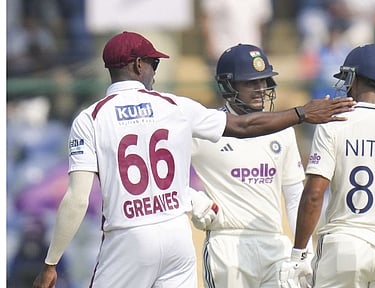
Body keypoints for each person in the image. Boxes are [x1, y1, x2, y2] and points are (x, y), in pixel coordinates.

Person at [32, 31, 355, 288]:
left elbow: (76, 199)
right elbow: (243, 127)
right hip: (178, 238)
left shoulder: (91, 118)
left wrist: (50, 262)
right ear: (138, 65)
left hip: (128, 233)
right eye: (154, 64)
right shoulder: (174, 107)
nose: (156, 72)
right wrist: (300, 113)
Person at [279, 44, 375, 288]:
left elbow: (314, 195)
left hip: (345, 246)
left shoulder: (335, 124)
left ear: (355, 79)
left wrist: (299, 254)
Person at [189, 43, 314, 288]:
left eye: (264, 81)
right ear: (228, 85)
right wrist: (192, 198)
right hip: (227, 244)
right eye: (250, 83)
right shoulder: (205, 129)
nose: (260, 89)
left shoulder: (283, 131)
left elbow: (294, 196)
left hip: (274, 242)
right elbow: (164, 169)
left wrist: (305, 251)